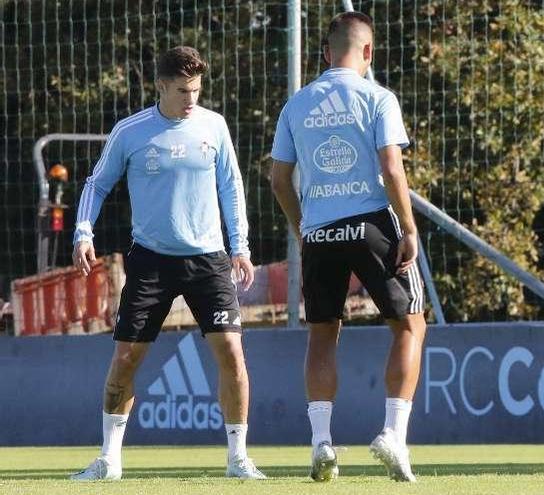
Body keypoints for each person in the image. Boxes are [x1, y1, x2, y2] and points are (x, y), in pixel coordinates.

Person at [69, 46, 265, 480]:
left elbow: (231, 188)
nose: (191, 98)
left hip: (209, 259)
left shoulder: (214, 126)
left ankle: (238, 458)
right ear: (160, 85)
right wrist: (84, 232)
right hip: (151, 262)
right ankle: (108, 460)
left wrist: (242, 247)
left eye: (196, 89)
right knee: (125, 359)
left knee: (232, 353)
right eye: (182, 90)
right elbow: (96, 184)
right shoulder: (131, 131)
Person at [270, 11, 425, 483]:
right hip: (371, 224)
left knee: (322, 332)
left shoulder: (297, 104)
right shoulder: (378, 97)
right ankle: (393, 435)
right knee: (410, 324)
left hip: (319, 230)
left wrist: (303, 229)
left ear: (323, 54)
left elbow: (278, 179)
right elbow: (393, 170)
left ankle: (321, 444)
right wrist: (410, 230)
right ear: (368, 52)